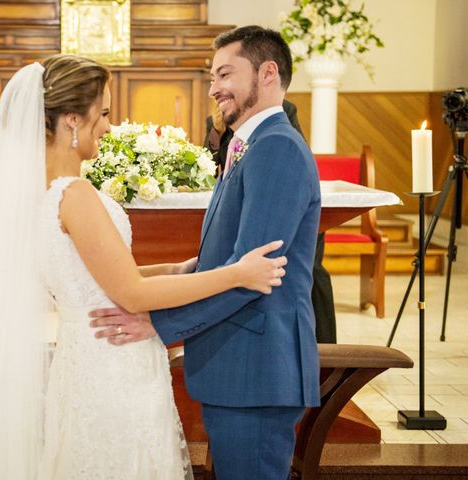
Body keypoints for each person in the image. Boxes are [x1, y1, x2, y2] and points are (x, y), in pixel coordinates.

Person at [0, 54, 289, 480]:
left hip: (85, 359)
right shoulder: (74, 194)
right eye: (105, 113)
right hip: (112, 368)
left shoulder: (41, 194)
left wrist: (177, 268)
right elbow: (131, 294)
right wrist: (238, 273)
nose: (110, 126)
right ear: (74, 120)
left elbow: (90, 278)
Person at [91, 26, 321, 479]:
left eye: (224, 74)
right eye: (212, 76)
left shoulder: (275, 147)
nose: (213, 87)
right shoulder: (248, 145)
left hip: (256, 367)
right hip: (241, 363)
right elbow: (232, 262)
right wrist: (182, 274)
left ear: (268, 72)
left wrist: (158, 323)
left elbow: (255, 275)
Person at [205, 100, 337, 343]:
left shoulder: (283, 112)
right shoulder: (215, 122)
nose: (217, 90)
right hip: (242, 204)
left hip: (279, 198)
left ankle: (325, 345)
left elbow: (291, 156)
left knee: (312, 270)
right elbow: (210, 164)